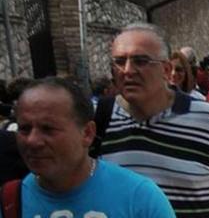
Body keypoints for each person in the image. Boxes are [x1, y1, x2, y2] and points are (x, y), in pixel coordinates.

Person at [101, 23, 209, 218]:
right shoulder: (98, 121)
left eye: (140, 61)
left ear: (166, 70)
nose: (127, 70)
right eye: (119, 61)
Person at [13, 77, 175, 218]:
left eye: (48, 129)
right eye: (24, 129)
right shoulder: (11, 202)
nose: (32, 141)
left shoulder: (139, 198)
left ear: (87, 133)